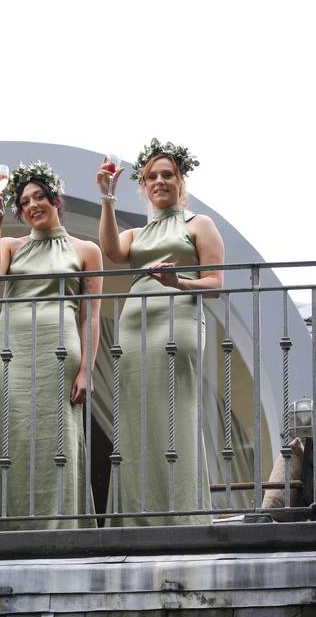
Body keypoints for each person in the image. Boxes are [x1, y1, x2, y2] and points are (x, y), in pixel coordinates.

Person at [97, 138, 224, 526]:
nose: (159, 181)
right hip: (135, 326)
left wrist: (179, 283)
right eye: (152, 176)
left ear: (180, 181)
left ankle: (182, 516)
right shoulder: (137, 233)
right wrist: (107, 200)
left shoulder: (198, 224)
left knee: (174, 414)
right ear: (144, 185)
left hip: (178, 318)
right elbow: (112, 253)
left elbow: (216, 282)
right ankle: (136, 519)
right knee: (134, 419)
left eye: (167, 174)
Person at [0, 161, 101, 530]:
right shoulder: (10, 245)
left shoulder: (86, 250)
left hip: (59, 351)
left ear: (55, 199)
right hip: (11, 349)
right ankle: (7, 526)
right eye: (25, 201)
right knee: (12, 432)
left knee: (58, 434)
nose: (33, 205)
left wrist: (87, 371)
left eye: (40, 197)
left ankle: (62, 525)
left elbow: (90, 315)